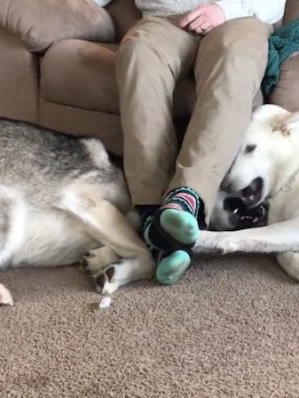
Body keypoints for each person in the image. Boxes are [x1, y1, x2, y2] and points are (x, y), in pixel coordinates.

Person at [115, 1, 286, 285]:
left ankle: (186, 200)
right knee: (137, 54)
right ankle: (152, 215)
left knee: (236, 61)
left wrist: (223, 10)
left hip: (237, 17)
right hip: (166, 20)